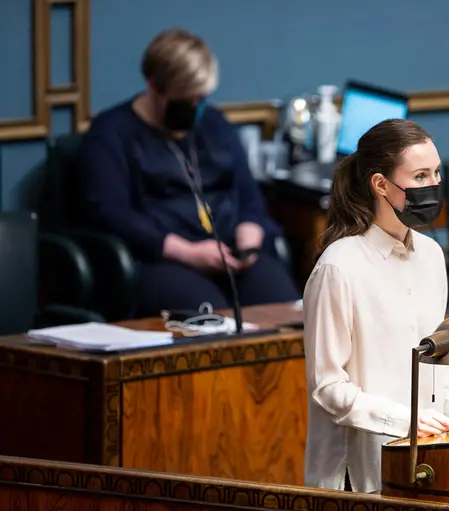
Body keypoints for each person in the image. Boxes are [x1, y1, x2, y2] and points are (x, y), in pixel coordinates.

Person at [302, 118, 449, 493]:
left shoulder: (432, 256)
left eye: (436, 174)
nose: (434, 186)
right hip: (356, 475)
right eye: (420, 176)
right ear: (380, 184)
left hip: (425, 461)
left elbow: (432, 368)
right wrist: (403, 420)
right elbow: (327, 387)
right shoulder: (338, 267)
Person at [77, 28, 299, 318]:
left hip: (231, 254)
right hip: (164, 260)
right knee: (213, 325)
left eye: (201, 99)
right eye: (185, 101)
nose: (195, 109)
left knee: (291, 318)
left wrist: (250, 234)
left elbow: (247, 193)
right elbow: (112, 214)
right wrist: (186, 252)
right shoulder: (111, 135)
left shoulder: (214, 123)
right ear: (155, 86)